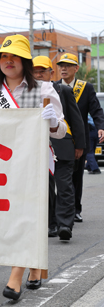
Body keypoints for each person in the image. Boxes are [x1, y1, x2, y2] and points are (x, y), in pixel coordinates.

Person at [0, 35, 67, 300]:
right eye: (4, 56)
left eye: (14, 56)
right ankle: (35, 267)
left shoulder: (45, 90)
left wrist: (51, 122)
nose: (8, 61)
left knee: (27, 216)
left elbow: (60, 131)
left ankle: (15, 277)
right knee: (13, 219)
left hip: (32, 163)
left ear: (25, 61)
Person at [32, 56, 85, 241]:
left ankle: (64, 225)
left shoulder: (62, 90)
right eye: (34, 71)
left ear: (51, 73)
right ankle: (51, 224)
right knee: (44, 187)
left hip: (62, 146)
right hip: (39, 149)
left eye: (42, 71)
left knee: (64, 187)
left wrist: (80, 145)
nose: (38, 75)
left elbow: (75, 118)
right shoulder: (27, 93)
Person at [53, 53, 104, 222]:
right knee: (56, 177)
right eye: (61, 66)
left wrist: (101, 127)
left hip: (78, 140)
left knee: (76, 177)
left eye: (68, 65)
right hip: (56, 139)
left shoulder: (86, 87)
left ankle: (75, 209)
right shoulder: (53, 87)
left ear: (76, 68)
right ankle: (56, 212)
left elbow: (96, 110)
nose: (64, 69)